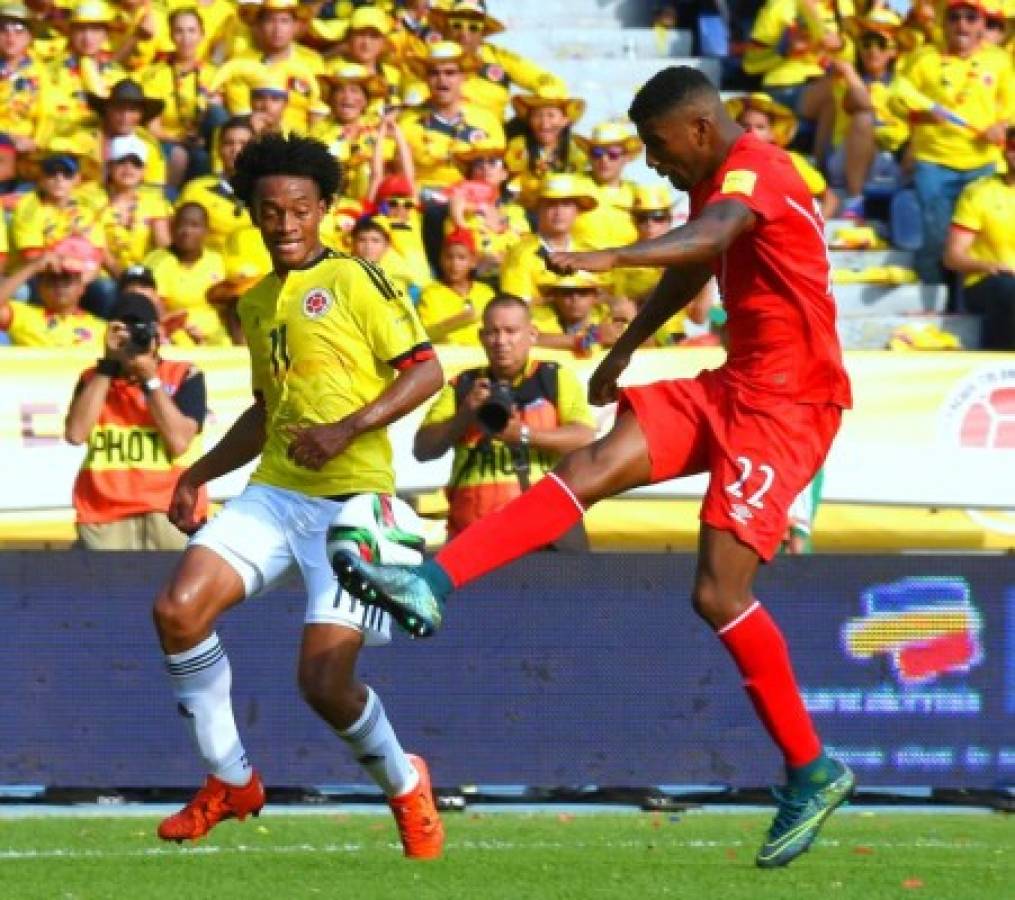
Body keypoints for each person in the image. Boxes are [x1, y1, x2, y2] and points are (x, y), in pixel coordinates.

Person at [334, 66, 855, 869]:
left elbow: (711, 239)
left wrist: (604, 255)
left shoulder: (757, 167)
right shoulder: (721, 180)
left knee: (719, 592)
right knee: (589, 465)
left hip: (787, 405)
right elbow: (693, 266)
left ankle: (811, 768)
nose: (652, 163)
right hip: (733, 384)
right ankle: (429, 585)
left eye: (655, 146)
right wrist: (621, 348)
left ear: (698, 130)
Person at [152, 132, 446, 859]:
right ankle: (230, 780)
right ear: (253, 215)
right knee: (177, 611)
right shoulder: (255, 303)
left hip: (354, 504)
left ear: (323, 209)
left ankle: (407, 786)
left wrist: (347, 429)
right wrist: (198, 472)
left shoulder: (357, 280)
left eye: (298, 209)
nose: (284, 223)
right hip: (276, 493)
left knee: (322, 682)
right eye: (269, 211)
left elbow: (425, 372)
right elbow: (265, 410)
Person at [414, 293, 595, 538]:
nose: (501, 341)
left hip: (549, 532)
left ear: (532, 334)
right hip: (474, 534)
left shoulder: (554, 377)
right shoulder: (463, 385)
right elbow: (423, 450)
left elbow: (584, 438)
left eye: (511, 331)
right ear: (481, 337)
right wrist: (465, 415)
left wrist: (522, 434)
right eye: (492, 332)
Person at [64, 292, 207, 550]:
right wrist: (107, 365)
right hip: (104, 514)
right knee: (107, 591)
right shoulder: (92, 379)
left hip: (171, 510)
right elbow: (75, 434)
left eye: (141, 330)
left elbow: (178, 441)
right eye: (124, 331)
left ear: (157, 335)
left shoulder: (184, 374)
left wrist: (148, 377)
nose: (133, 339)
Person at [889, 0, 1013, 284]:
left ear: (982, 25)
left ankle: (968, 308)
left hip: (984, 165)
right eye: (955, 17)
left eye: (971, 18)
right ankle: (933, 305)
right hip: (935, 164)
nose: (962, 25)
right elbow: (896, 95)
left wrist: (1001, 126)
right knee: (935, 239)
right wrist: (922, 112)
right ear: (944, 24)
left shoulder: (999, 60)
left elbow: (1011, 106)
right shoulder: (924, 58)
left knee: (979, 244)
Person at [944, 124, 1015, 349]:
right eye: (1013, 146)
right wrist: (991, 265)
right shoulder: (979, 192)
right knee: (1008, 290)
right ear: (1004, 150)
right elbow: (953, 257)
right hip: (988, 281)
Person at [0, 237, 105, 347]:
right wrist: (34, 266)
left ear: (82, 288)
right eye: (52, 279)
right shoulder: (22, 315)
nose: (59, 285)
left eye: (67, 279)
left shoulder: (102, 330)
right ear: (41, 287)